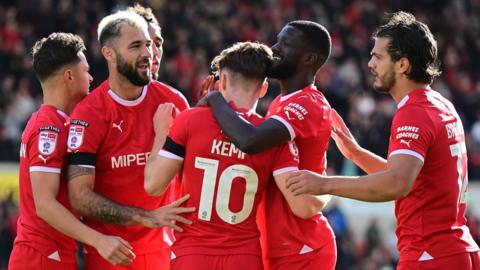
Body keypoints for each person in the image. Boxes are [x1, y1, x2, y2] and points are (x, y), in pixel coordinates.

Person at [285, 11, 480, 269]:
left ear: (402, 65)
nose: (370, 64)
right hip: (453, 251)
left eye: (378, 57)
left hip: (429, 255)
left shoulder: (414, 111)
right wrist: (356, 153)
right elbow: (409, 180)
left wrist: (323, 184)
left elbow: (396, 184)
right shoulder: (440, 104)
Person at [144, 41, 323, 270]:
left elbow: (153, 185)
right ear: (263, 89)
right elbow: (302, 207)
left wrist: (161, 133)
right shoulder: (272, 139)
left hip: (192, 254)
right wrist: (326, 188)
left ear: (223, 81)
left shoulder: (189, 121)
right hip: (244, 257)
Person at [66, 11, 194, 270]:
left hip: (165, 250)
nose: (147, 53)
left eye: (148, 44)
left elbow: (190, 179)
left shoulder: (175, 102)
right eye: (136, 46)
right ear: (109, 53)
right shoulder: (89, 113)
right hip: (110, 252)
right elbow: (79, 197)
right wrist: (146, 218)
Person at [203, 21, 336, 269]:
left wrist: (215, 99)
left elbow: (250, 141)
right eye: (277, 40)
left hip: (302, 247)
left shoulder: (307, 103)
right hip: (278, 244)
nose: (274, 48)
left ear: (308, 58)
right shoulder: (280, 103)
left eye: (285, 44)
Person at [8, 33, 135, 270]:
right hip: (41, 258)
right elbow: (44, 204)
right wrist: (99, 240)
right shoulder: (49, 129)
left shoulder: (60, 123)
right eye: (86, 70)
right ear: (69, 76)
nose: (91, 77)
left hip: (55, 254)